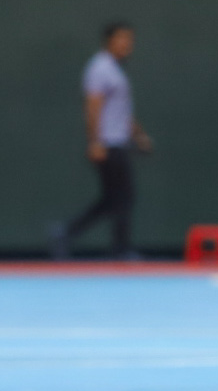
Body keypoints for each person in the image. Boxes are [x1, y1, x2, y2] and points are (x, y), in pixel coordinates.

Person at [51, 23, 152, 259]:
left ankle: (66, 232)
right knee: (123, 197)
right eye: (122, 38)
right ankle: (120, 249)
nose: (127, 44)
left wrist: (139, 135)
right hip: (108, 143)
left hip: (119, 142)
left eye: (130, 39)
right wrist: (95, 142)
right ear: (109, 40)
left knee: (112, 199)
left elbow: (123, 111)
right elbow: (93, 106)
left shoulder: (116, 70)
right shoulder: (100, 68)